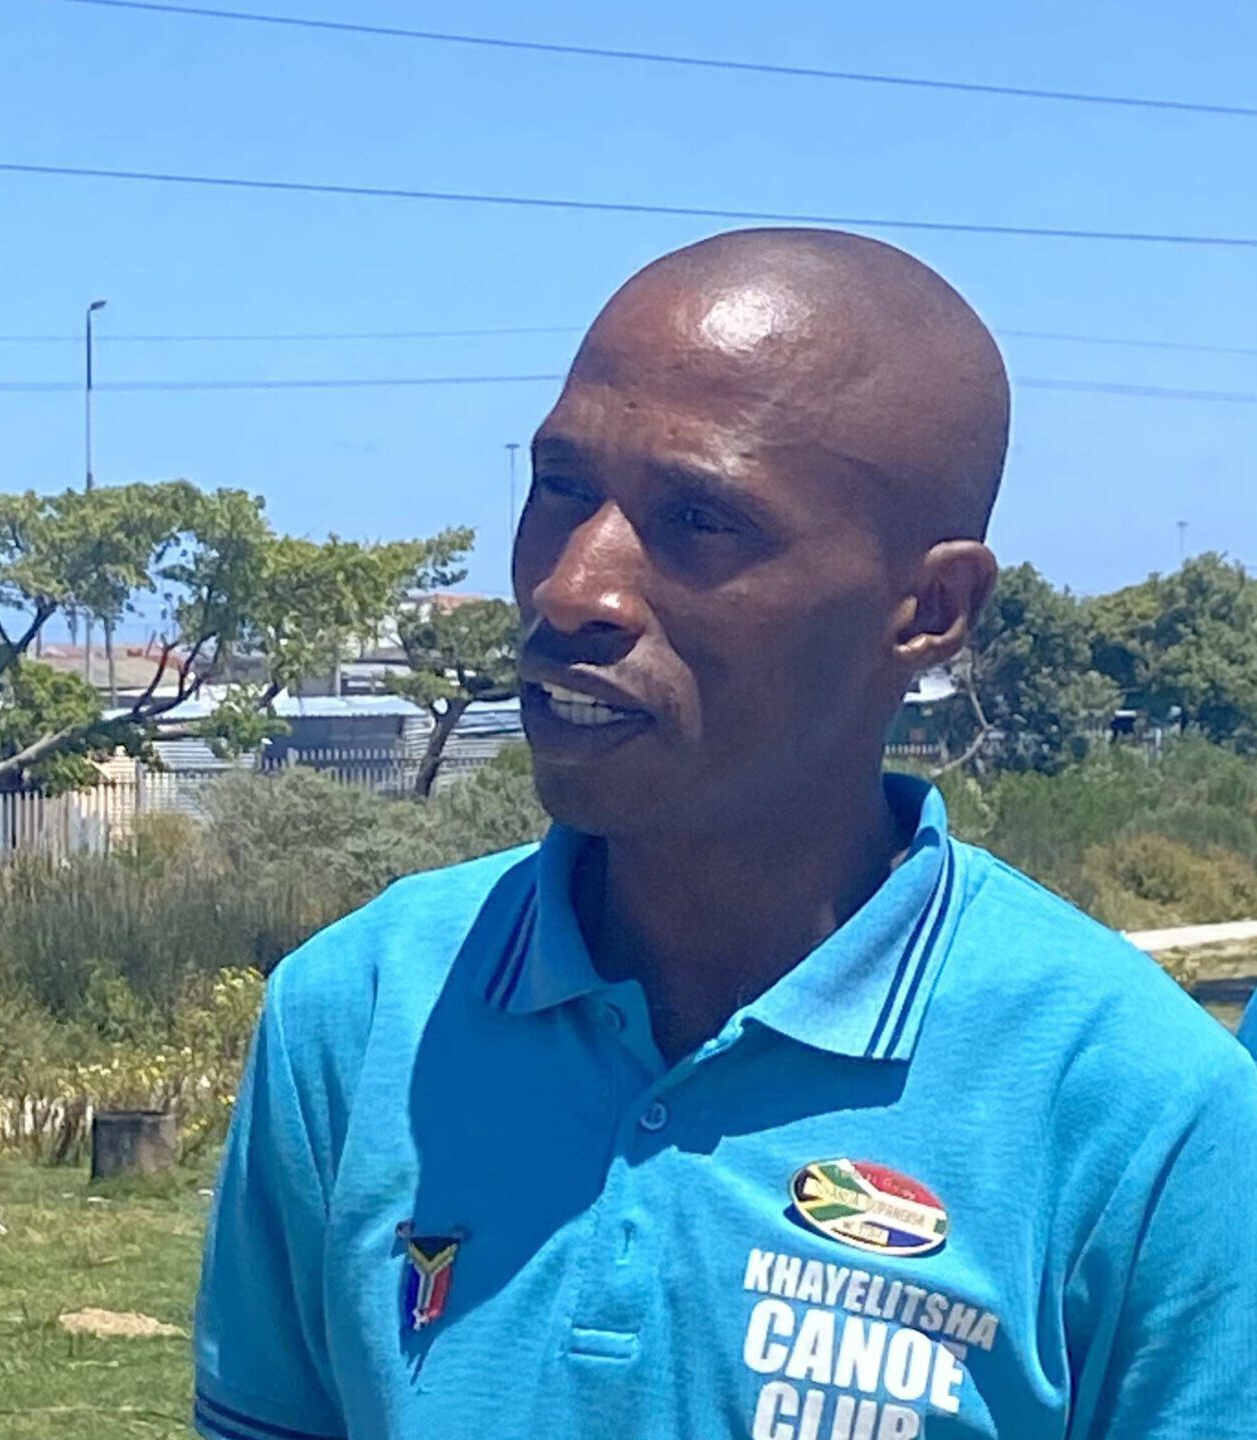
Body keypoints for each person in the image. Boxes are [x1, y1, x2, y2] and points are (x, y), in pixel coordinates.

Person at [193, 230, 1257, 1440]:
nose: (571, 587)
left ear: (931, 609)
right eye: (558, 487)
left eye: (700, 518)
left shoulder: (1148, 1120)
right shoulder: (361, 1014)